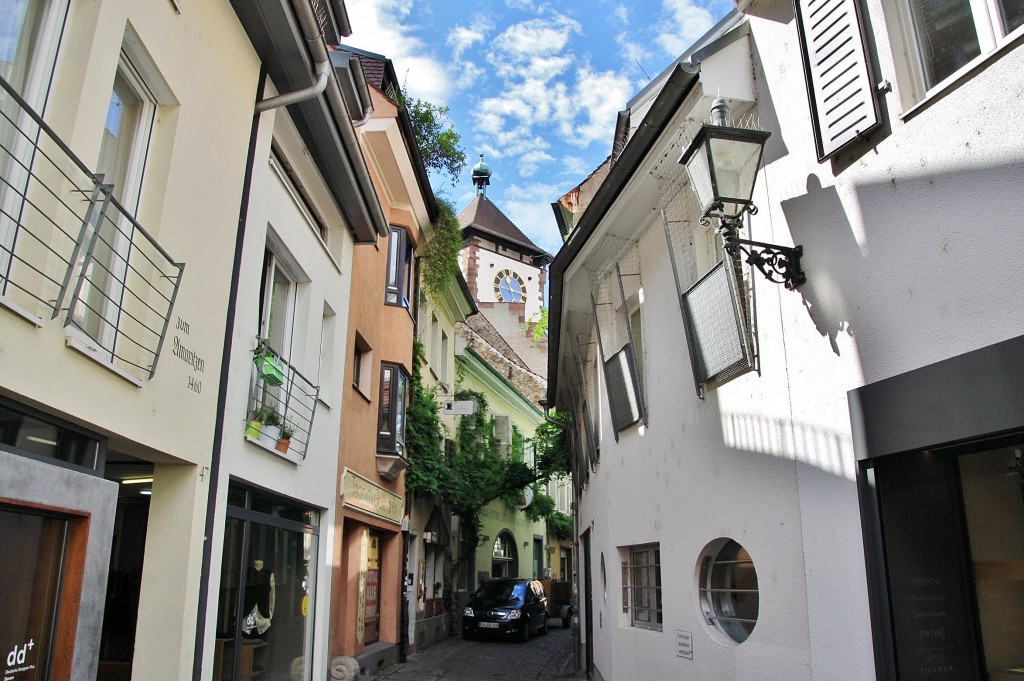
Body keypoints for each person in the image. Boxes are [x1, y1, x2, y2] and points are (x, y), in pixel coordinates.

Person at [242, 559, 275, 636]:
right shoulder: (246, 573)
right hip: (246, 616)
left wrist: (270, 614)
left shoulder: (269, 575)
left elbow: (272, 596)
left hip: (263, 616)